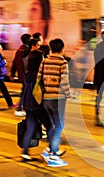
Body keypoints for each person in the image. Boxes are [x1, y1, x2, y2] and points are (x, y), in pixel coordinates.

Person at [40, 38, 71, 167]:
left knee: (53, 125)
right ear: (62, 49)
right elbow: (64, 82)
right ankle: (53, 155)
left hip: (46, 98)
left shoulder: (45, 61)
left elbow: (39, 78)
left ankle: (48, 150)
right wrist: (68, 95)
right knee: (59, 126)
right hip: (58, 98)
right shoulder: (62, 63)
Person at [20, 49, 51, 161]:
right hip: (37, 103)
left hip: (28, 103)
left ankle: (25, 152)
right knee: (50, 126)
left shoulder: (28, 72)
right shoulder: (40, 72)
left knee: (30, 128)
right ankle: (53, 149)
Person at [10, 33, 32, 117]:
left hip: (21, 76)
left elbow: (14, 62)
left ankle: (21, 107)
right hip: (26, 76)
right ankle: (20, 108)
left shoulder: (19, 51)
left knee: (24, 92)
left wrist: (12, 73)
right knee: (25, 92)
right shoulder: (26, 51)